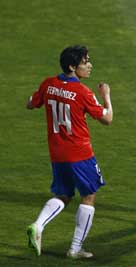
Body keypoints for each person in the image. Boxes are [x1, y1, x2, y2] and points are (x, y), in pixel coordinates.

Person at [26, 45, 113, 259]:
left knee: (63, 194)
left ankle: (38, 225)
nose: (90, 65)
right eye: (86, 62)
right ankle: (75, 248)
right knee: (89, 196)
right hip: (80, 154)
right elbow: (107, 119)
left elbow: (31, 103)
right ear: (73, 66)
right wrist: (107, 96)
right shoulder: (83, 92)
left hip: (57, 153)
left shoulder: (48, 84)